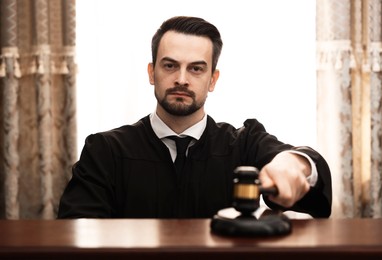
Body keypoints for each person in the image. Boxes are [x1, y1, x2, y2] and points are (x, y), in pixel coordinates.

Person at [58, 16, 332, 219]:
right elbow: (77, 230)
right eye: (170, 65)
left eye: (196, 69)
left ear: (213, 79)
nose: (181, 79)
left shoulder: (244, 143)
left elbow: (309, 179)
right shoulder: (105, 150)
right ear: (152, 73)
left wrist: (296, 164)